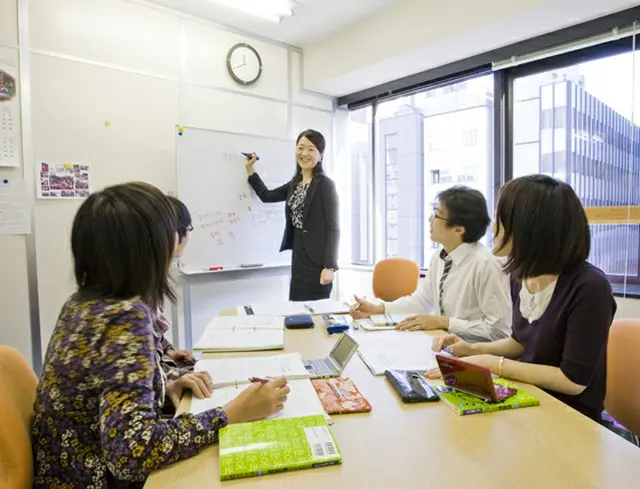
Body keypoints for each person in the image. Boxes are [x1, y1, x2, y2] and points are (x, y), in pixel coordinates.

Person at [32, 182, 290, 488]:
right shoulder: (125, 317)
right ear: (147, 248)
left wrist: (164, 388)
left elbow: (107, 398)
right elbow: (130, 454)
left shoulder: (83, 304)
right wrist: (232, 412)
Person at [428, 174, 616, 423]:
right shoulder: (521, 275)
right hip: (526, 399)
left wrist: (492, 363)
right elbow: (520, 342)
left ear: (530, 228)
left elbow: (573, 381)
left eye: (500, 219)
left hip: (569, 416)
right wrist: (473, 349)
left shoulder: (590, 286)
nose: (493, 227)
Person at [352, 186, 511, 342]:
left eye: (437, 214)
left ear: (458, 229)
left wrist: (444, 322)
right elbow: (421, 301)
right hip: (443, 343)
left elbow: (498, 331)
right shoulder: (440, 256)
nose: (430, 219)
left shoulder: (486, 264)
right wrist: (379, 309)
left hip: (475, 354)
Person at [245, 129, 339, 301]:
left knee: (316, 315)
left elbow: (333, 228)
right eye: (301, 148)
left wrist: (330, 267)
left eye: (311, 149)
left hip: (318, 264)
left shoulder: (325, 185)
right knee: (296, 312)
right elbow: (266, 196)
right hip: (298, 260)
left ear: (321, 155)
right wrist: (251, 170)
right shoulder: (294, 184)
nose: (304, 153)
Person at [154, 196, 196, 384]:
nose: (188, 236)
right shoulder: (129, 310)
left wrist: (168, 351)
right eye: (187, 229)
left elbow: (153, 337)